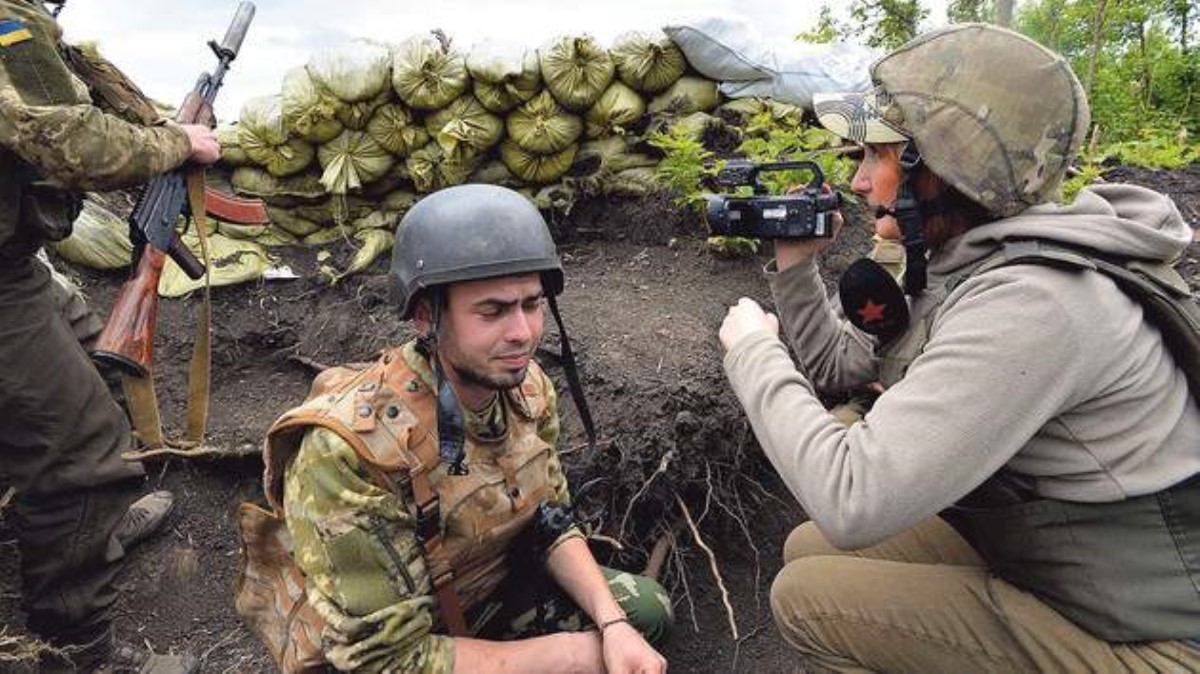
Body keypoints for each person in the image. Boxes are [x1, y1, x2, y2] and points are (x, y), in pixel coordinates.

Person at [717, 23, 1200, 673]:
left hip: (1155, 639)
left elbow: (852, 496)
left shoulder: (1036, 303)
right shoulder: (960, 264)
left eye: (876, 157)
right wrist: (797, 266)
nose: (858, 182)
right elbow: (842, 366)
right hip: (1067, 570)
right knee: (810, 546)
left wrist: (753, 353)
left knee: (808, 599)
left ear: (938, 173)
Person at [265, 183, 671, 673]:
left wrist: (612, 625)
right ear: (424, 317)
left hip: (479, 597)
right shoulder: (347, 453)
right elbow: (385, 659)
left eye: (531, 304)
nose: (522, 332)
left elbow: (551, 521)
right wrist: (572, 656)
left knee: (643, 612)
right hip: (391, 652)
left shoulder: (528, 390)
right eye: (493, 311)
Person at [0, 0, 220, 671]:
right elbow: (61, 139)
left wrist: (162, 125)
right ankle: (74, 648)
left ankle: (92, 527)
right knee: (80, 449)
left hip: (15, 263)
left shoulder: (25, 23)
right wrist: (177, 144)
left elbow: (70, 108)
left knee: (97, 358)